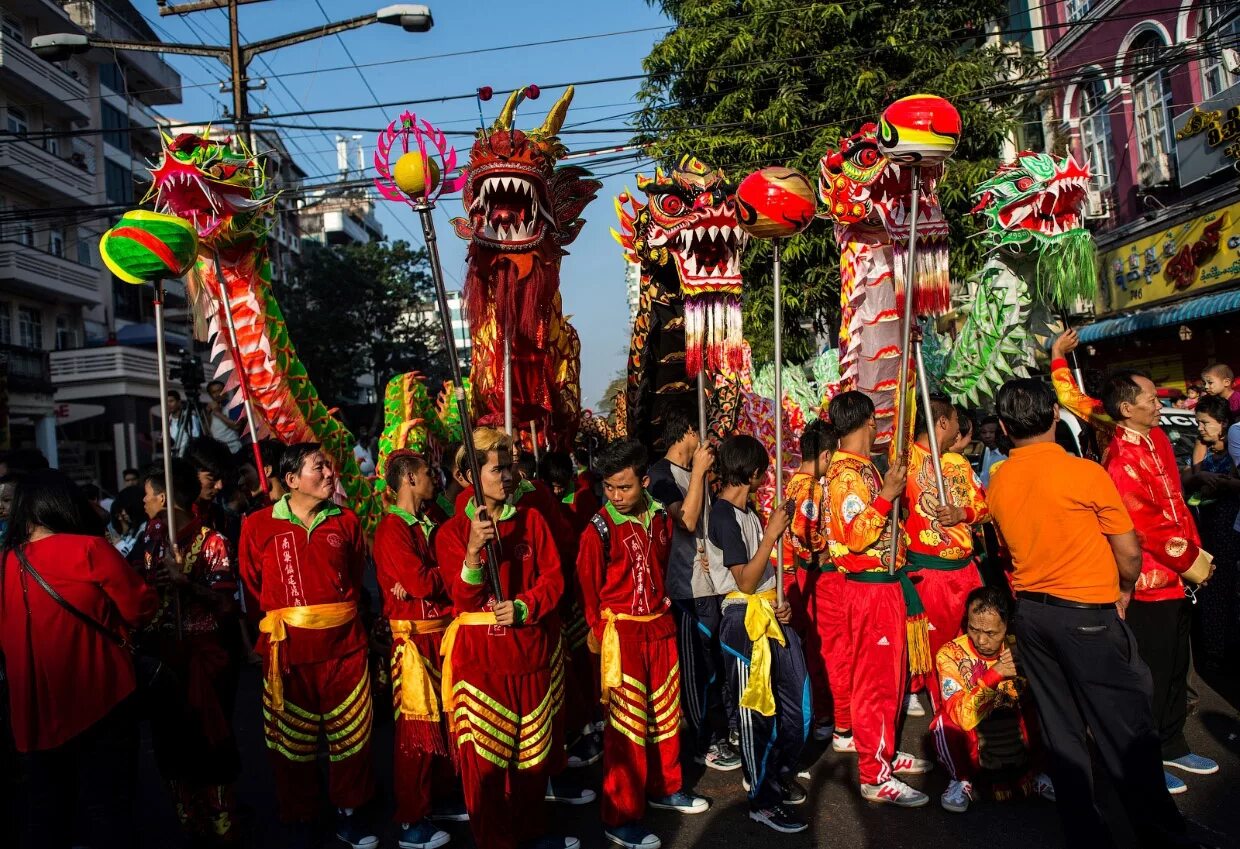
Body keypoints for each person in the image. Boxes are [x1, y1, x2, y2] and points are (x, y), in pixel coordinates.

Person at [987, 378, 1189, 849]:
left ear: (1002, 426)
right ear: (1055, 418)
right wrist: (1123, 588)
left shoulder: (998, 481)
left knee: (1062, 732)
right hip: (1086, 615)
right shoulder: (1084, 472)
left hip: (1034, 617)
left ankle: (1085, 831)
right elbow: (1129, 551)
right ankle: (1159, 835)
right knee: (1127, 731)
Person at [432, 428, 579, 849]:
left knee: (532, 761)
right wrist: (474, 553)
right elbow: (462, 599)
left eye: (510, 465)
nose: (510, 475)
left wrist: (523, 606)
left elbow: (553, 578)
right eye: (498, 469)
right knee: (487, 766)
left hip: (529, 654)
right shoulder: (449, 533)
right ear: (468, 477)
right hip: (481, 665)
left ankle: (532, 833)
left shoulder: (532, 519)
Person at [0, 469, 158, 849]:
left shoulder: (6, 563)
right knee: (109, 809)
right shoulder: (89, 549)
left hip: (33, 709)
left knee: (47, 813)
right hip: (100, 696)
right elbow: (141, 608)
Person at [238, 443, 378, 849]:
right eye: (320, 468)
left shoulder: (347, 521)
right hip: (287, 652)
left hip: (344, 647)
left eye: (330, 467)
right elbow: (251, 587)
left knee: (351, 738)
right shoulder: (257, 525)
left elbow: (353, 578)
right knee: (291, 744)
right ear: (292, 479)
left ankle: (350, 812)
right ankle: (300, 813)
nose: (331, 474)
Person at [577, 439, 709, 849]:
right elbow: (589, 591)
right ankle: (620, 816)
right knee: (626, 729)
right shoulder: (597, 530)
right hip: (624, 637)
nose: (615, 495)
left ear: (644, 482)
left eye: (624, 487)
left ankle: (665, 786)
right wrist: (602, 635)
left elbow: (683, 527)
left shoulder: (657, 516)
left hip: (660, 627)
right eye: (609, 487)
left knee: (666, 717)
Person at [1099, 370, 1219, 792]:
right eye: (1150, 397)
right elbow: (1145, 522)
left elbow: (1178, 508)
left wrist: (1195, 555)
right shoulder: (1120, 459)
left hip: (1178, 574)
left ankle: (1173, 742)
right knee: (1148, 674)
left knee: (1174, 669)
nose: (1157, 402)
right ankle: (1146, 758)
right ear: (1127, 409)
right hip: (1150, 582)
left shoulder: (1160, 442)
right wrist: (1191, 560)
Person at [825, 391, 932, 807]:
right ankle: (874, 773)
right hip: (869, 588)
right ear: (866, 420)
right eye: (874, 419)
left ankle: (883, 752)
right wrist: (887, 495)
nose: (878, 426)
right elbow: (854, 535)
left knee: (891, 677)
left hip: (884, 585)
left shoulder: (864, 466)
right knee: (875, 682)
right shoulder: (845, 475)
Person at [135, 460, 242, 847]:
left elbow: (228, 606)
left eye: (147, 494)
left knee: (211, 744)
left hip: (206, 659)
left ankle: (222, 825)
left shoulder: (212, 541)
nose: (144, 502)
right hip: (164, 661)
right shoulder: (149, 537)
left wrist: (187, 585)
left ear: (163, 495)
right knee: (171, 746)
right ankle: (190, 824)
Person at [709, 435, 810, 833]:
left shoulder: (748, 511)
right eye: (762, 473)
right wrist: (771, 534)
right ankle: (761, 799)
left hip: (770, 614)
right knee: (756, 713)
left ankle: (776, 772)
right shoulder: (723, 515)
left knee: (797, 704)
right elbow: (745, 583)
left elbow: (764, 579)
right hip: (742, 622)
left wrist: (781, 602)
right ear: (752, 473)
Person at [372, 450, 459, 849]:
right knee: (415, 733)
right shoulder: (392, 529)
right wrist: (451, 569)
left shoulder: (431, 520)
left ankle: (436, 800)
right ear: (408, 478)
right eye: (428, 472)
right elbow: (424, 582)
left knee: (444, 723)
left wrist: (429, 576)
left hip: (441, 633)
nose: (434, 478)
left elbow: (426, 578)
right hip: (413, 641)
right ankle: (411, 819)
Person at [645, 412, 740, 771]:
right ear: (685, 431)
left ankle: (725, 730)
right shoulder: (661, 475)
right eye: (696, 428)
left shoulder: (696, 474)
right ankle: (704, 743)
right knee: (697, 670)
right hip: (686, 589)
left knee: (717, 663)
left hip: (712, 584)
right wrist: (699, 472)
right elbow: (684, 519)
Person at [930, 586, 1054, 813]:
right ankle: (960, 780)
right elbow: (962, 717)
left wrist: (1026, 669)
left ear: (1007, 626)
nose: (980, 640)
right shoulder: (950, 655)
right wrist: (993, 675)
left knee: (1047, 706)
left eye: (991, 633)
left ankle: (1038, 771)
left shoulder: (1021, 647)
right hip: (976, 734)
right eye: (973, 629)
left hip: (1015, 728)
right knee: (944, 722)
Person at [903, 395, 988, 713]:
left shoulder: (959, 464)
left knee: (970, 643)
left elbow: (984, 507)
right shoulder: (905, 457)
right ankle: (943, 714)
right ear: (942, 423)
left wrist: (963, 513)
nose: (958, 427)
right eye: (954, 420)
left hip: (965, 570)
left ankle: (966, 710)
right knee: (935, 647)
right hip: (929, 574)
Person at [782, 419, 839, 743]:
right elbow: (806, 533)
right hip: (807, 575)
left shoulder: (793, 482)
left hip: (797, 574)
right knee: (820, 649)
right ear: (827, 456)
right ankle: (823, 716)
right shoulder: (810, 487)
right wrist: (828, 551)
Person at [1185, 395, 1240, 670]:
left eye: (1205, 423)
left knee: (1231, 589)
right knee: (1212, 588)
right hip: (1207, 530)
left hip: (1230, 530)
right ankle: (1216, 651)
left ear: (1223, 423)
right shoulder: (1203, 450)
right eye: (1198, 423)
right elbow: (1187, 477)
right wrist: (1199, 478)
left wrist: (1223, 484)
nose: (1201, 429)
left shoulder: (1234, 449)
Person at [205, 381, 244, 454]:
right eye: (214, 392)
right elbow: (207, 431)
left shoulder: (233, 405)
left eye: (220, 390)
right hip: (218, 449)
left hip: (233, 449)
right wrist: (208, 414)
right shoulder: (212, 408)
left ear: (226, 391)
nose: (217, 394)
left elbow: (237, 426)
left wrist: (217, 413)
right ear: (210, 395)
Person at [168, 390, 202, 458]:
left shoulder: (190, 418)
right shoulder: (168, 421)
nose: (168, 404)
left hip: (187, 460)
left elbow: (196, 440)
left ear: (179, 402)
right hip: (172, 459)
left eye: (171, 401)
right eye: (166, 402)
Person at [977, 416, 1006, 487]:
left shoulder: (1005, 455)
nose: (987, 436)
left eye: (992, 432)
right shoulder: (985, 450)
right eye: (984, 432)